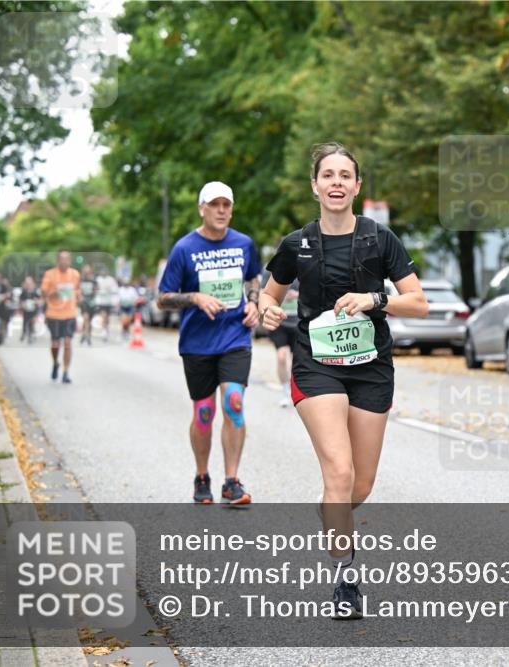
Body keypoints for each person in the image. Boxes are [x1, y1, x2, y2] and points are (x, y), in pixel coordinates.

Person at [259, 143, 427, 619]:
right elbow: (268, 297)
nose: (336, 182)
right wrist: (268, 310)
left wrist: (374, 299)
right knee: (339, 472)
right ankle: (346, 578)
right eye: (327, 175)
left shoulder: (381, 238)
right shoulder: (297, 244)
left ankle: (334, 509)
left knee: (359, 484)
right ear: (315, 185)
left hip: (372, 366)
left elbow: (418, 302)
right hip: (317, 365)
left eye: (345, 175)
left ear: (357, 185)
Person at [157, 181, 262, 505]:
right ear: (201, 208)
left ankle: (232, 481)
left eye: (226, 205)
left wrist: (254, 303)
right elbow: (162, 299)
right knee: (204, 412)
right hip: (197, 342)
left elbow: (253, 278)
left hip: (234, 336)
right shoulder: (184, 248)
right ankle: (202, 476)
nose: (221, 211)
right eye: (214, 204)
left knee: (234, 402)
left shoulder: (244, 244)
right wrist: (195, 298)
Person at [40, 251, 82, 383]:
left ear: (70, 260)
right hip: (54, 314)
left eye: (67, 259)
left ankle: (65, 372)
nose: (64, 261)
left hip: (70, 313)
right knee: (55, 344)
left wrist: (79, 296)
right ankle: (55, 363)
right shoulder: (50, 274)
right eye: (62, 259)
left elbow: (77, 290)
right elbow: (43, 293)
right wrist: (55, 293)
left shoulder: (75, 274)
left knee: (68, 343)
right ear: (57, 260)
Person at [263, 273, 300, 407]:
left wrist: (296, 295)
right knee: (281, 357)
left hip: (297, 323)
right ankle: (285, 392)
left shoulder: (303, 264)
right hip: (280, 324)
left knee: (295, 361)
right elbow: (265, 294)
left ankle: (296, 393)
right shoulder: (271, 271)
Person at [95, 268, 119, 342]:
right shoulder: (98, 279)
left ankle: (106, 328)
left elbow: (115, 289)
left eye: (105, 272)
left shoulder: (111, 280)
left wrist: (115, 300)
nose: (103, 273)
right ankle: (104, 330)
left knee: (107, 317)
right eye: (102, 272)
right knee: (103, 315)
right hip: (101, 302)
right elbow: (95, 289)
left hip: (108, 301)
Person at [79, 264, 97, 345]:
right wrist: (80, 297)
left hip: (91, 302)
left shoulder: (93, 280)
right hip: (84, 302)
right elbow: (77, 289)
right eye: (85, 269)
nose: (86, 271)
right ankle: (86, 335)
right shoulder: (81, 280)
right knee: (86, 318)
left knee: (89, 320)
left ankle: (86, 334)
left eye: (88, 269)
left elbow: (96, 290)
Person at [19, 276, 40, 344]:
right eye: (27, 283)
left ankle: (30, 336)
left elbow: (39, 300)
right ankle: (24, 333)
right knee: (25, 322)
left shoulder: (35, 291)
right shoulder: (24, 291)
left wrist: (36, 301)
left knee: (31, 322)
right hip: (26, 310)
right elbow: (21, 299)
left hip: (34, 310)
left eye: (29, 283)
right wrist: (22, 304)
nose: (28, 285)